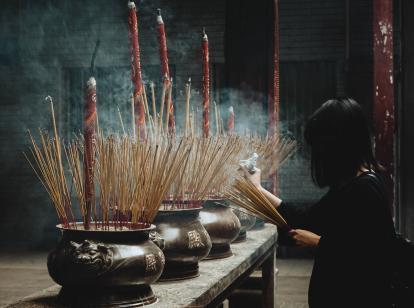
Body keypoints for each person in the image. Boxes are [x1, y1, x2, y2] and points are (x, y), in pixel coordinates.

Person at [245, 98, 396, 307]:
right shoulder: (349, 186)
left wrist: (318, 243)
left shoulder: (365, 189)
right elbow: (308, 219)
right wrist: (258, 190)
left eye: (321, 149)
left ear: (339, 147)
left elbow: (373, 256)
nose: (318, 157)